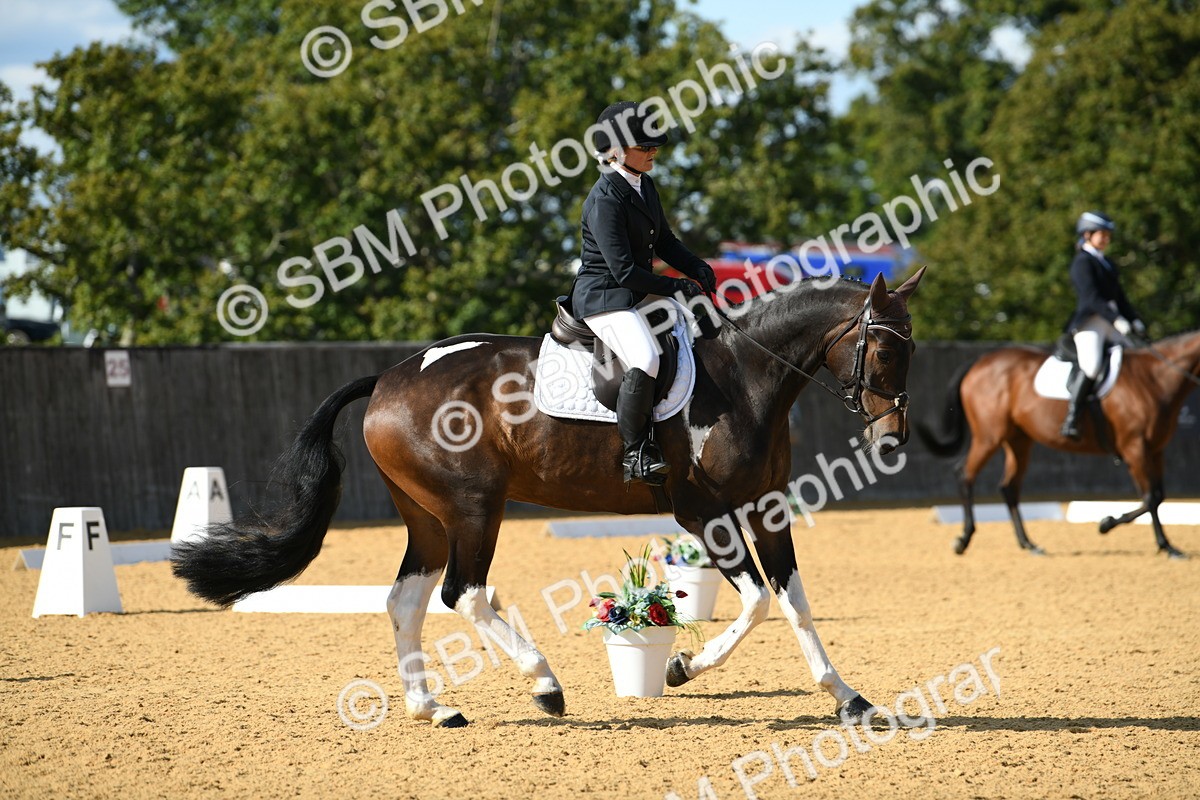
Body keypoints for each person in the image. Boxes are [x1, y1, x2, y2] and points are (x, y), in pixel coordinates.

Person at [571, 100, 718, 486]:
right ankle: (635, 453)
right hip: (605, 297)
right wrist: (675, 286)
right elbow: (623, 271)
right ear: (617, 150)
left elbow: (665, 241)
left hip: (635, 293)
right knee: (646, 356)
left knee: (705, 327)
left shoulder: (644, 184)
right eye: (645, 146)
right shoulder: (604, 199)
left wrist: (696, 267)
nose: (653, 151)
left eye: (655, 145)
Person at [1060, 210, 1147, 440]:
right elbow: (1091, 298)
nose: (1106, 238)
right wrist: (1116, 319)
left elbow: (1120, 297)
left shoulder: (1107, 263)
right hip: (1091, 323)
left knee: (1135, 360)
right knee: (1092, 366)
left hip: (1111, 321)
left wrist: (1133, 318)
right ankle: (1072, 418)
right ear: (1087, 234)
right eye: (1102, 234)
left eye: (1108, 234)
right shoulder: (1082, 263)